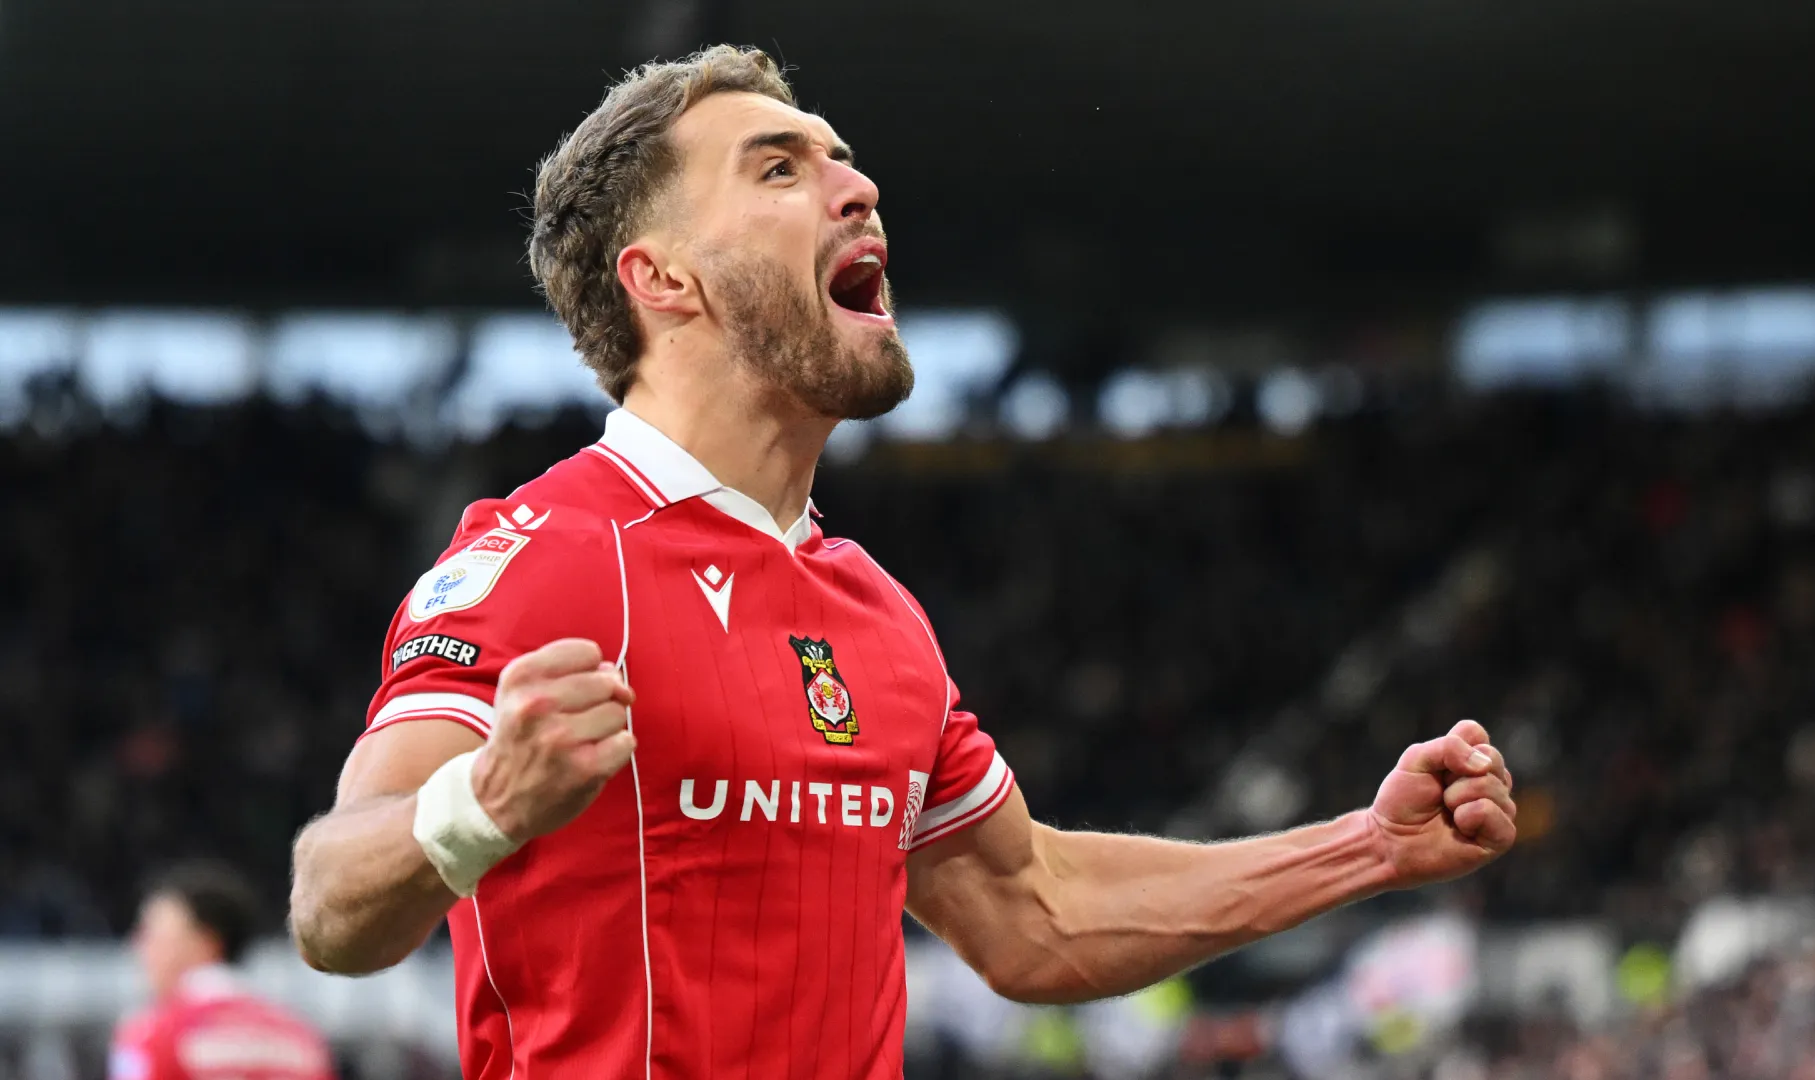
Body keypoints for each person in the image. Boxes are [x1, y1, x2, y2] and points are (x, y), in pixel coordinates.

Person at [287, 44, 1518, 1079]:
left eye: (842, 159)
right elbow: (329, 903)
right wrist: (485, 800)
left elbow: (1035, 910)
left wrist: (1369, 848)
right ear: (661, 278)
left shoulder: (876, 614)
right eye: (780, 168)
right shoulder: (548, 555)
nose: (861, 188)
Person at [112, 861, 336, 1080]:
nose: (138, 946)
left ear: (206, 942)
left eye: (152, 933)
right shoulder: (300, 1037)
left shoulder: (154, 1032)